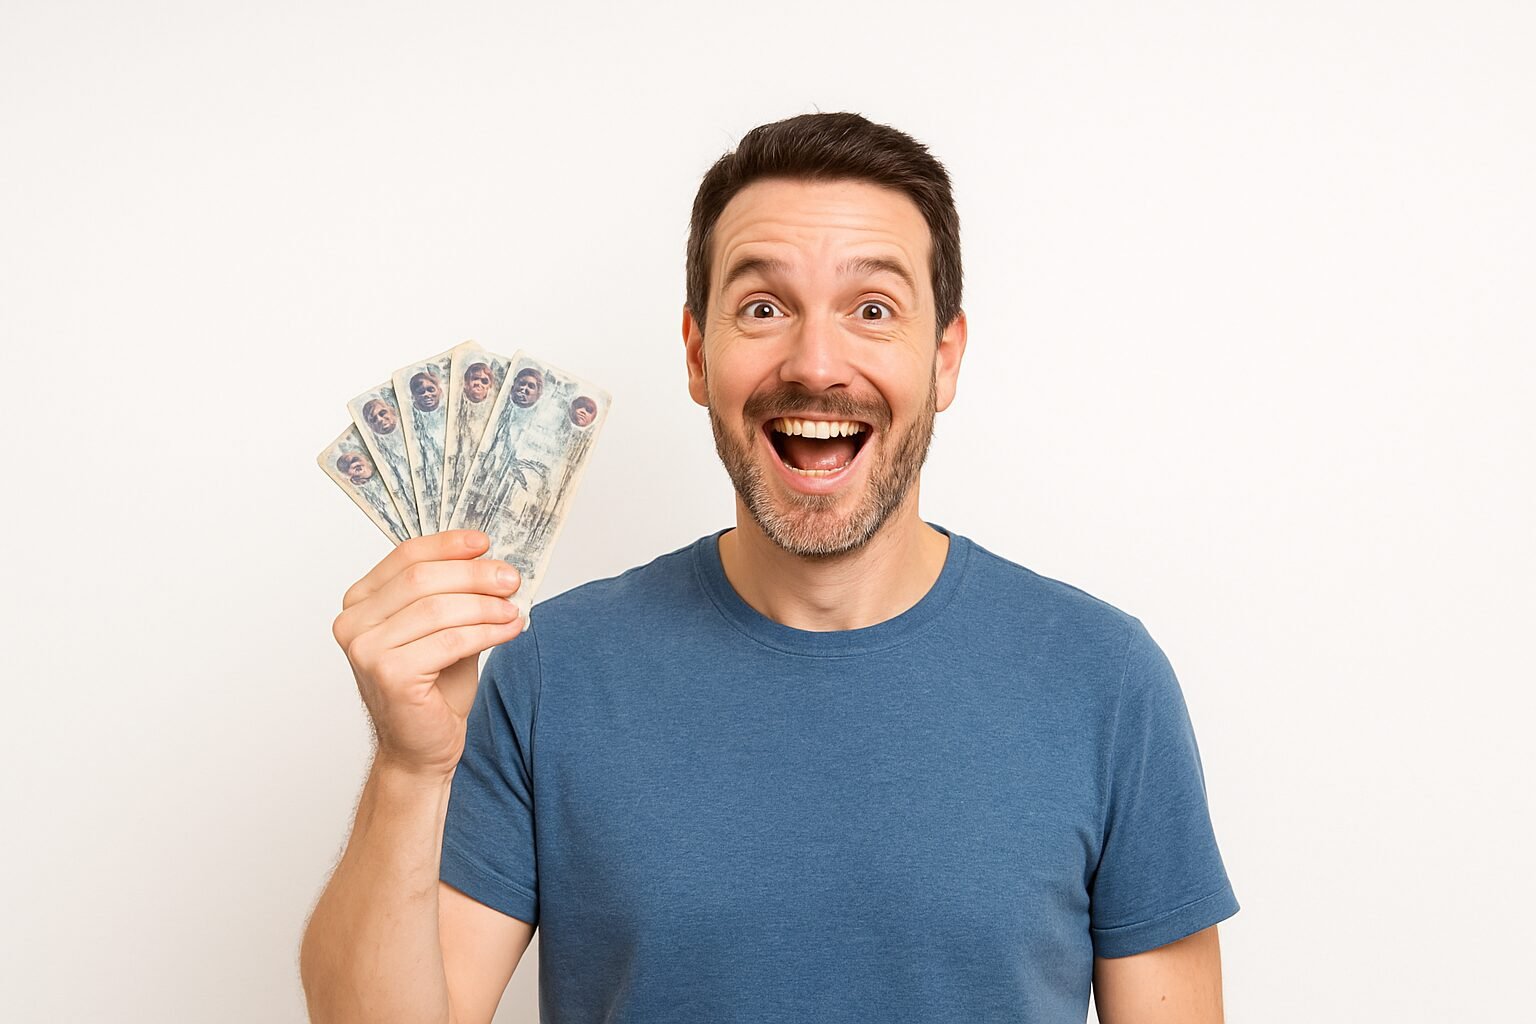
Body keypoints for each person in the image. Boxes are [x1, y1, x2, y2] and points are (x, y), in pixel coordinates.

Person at [300, 112, 1239, 1024]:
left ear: (945, 358)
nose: (816, 364)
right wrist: (409, 769)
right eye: (763, 308)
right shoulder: (553, 671)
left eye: (873, 310)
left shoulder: (1104, 679)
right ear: (697, 354)